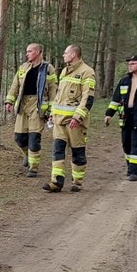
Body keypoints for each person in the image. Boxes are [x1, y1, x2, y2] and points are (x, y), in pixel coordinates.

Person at [43, 44, 96, 193]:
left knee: (77, 152)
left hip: (75, 122)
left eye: (65, 53)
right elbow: (59, 96)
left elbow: (88, 98)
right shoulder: (65, 71)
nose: (63, 55)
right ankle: (56, 182)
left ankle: (77, 182)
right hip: (59, 121)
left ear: (73, 55)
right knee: (57, 150)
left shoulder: (87, 72)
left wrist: (78, 117)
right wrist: (53, 113)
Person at [4, 43, 58, 177]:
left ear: (38, 52)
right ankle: (27, 155)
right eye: (26, 51)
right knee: (19, 137)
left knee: (34, 137)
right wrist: (9, 100)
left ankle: (33, 168)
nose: (27, 54)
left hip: (38, 105)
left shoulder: (48, 68)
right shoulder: (23, 67)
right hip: (23, 104)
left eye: (29, 51)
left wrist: (52, 109)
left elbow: (53, 90)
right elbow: (15, 85)